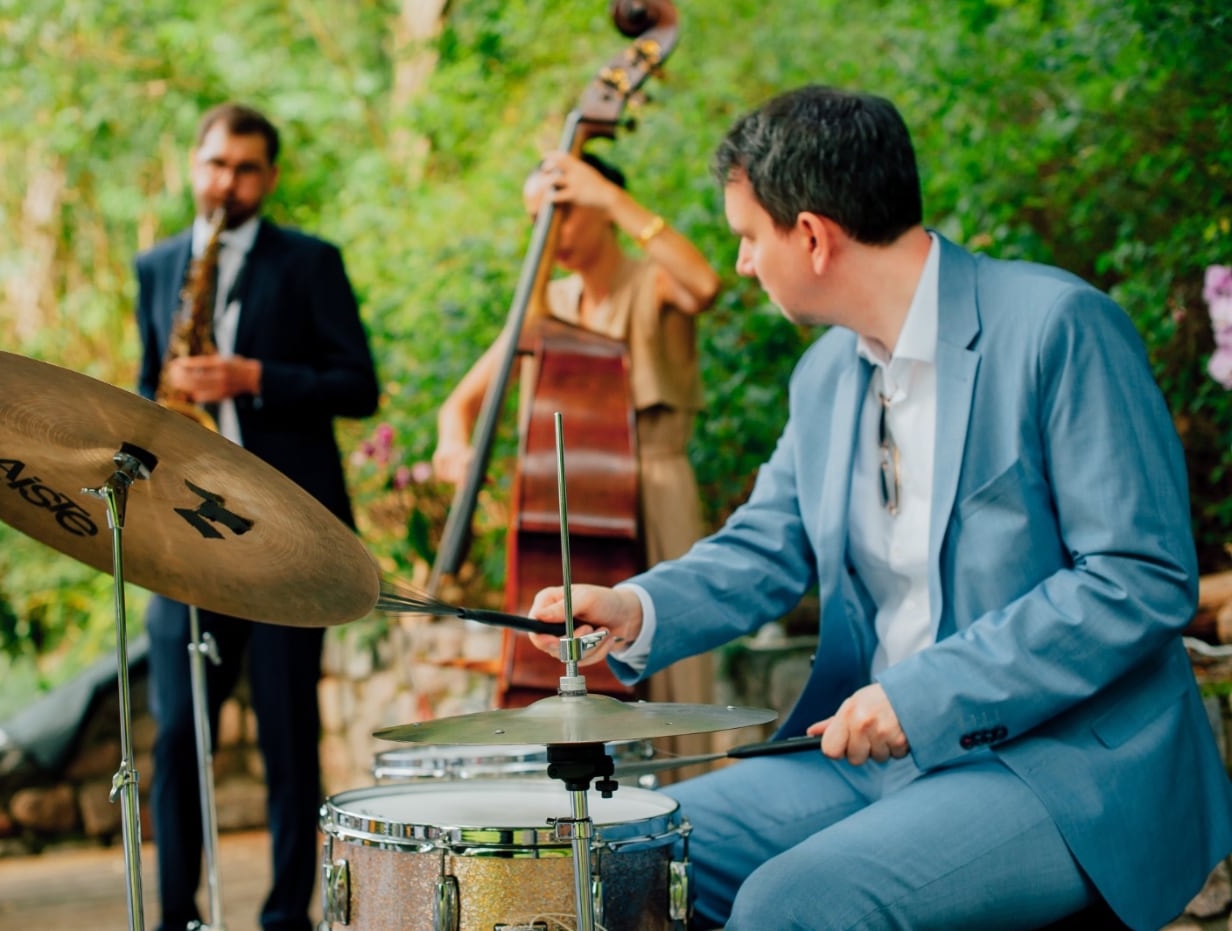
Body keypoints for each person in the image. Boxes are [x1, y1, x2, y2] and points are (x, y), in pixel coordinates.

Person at [528, 85, 1232, 930]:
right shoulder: (825, 376)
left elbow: (1140, 577)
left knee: (792, 902)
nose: (744, 264)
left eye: (749, 238)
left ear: (814, 236)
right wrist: (636, 605)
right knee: (609, 851)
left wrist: (927, 692)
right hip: (871, 759)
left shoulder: (1058, 326)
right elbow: (768, 544)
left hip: (1064, 760)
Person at [134, 102, 378, 931]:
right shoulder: (157, 265)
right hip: (182, 536)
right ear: (193, 166)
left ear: (269, 178)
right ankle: (173, 917)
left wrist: (253, 376)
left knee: (286, 731)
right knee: (175, 740)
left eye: (243, 168)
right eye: (214, 164)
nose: (226, 182)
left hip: (283, 534)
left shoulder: (311, 263)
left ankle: (284, 917)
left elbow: (358, 385)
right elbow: (146, 387)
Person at [432, 150, 721, 771]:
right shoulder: (546, 304)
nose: (550, 237)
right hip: (579, 508)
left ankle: (691, 802)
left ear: (597, 206)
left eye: (561, 215)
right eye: (537, 220)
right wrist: (454, 446)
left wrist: (612, 197)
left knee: (673, 680)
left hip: (656, 490)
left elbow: (704, 284)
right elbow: (458, 407)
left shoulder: (653, 281)